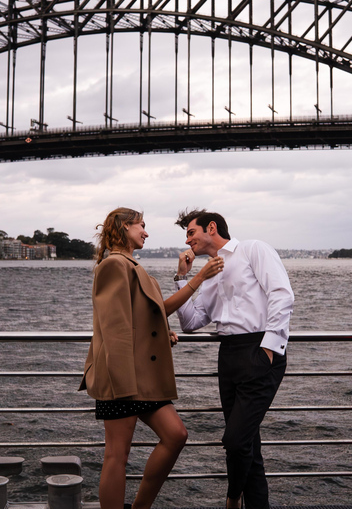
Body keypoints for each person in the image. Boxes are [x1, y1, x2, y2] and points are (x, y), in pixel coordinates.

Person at [79, 207, 224, 509]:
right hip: (123, 377)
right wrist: (198, 278)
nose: (146, 232)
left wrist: (160, 329)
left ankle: (140, 506)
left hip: (141, 376)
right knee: (117, 456)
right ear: (123, 228)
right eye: (140, 226)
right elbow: (115, 327)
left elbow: (150, 313)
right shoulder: (114, 266)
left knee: (176, 435)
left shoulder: (130, 265)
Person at [172, 208, 294, 509]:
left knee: (236, 440)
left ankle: (232, 498)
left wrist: (268, 349)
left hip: (258, 351)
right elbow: (190, 322)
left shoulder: (253, 249)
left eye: (191, 232)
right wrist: (183, 278)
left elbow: (282, 294)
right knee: (248, 445)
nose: (188, 241)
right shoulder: (209, 274)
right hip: (228, 356)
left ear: (211, 228)